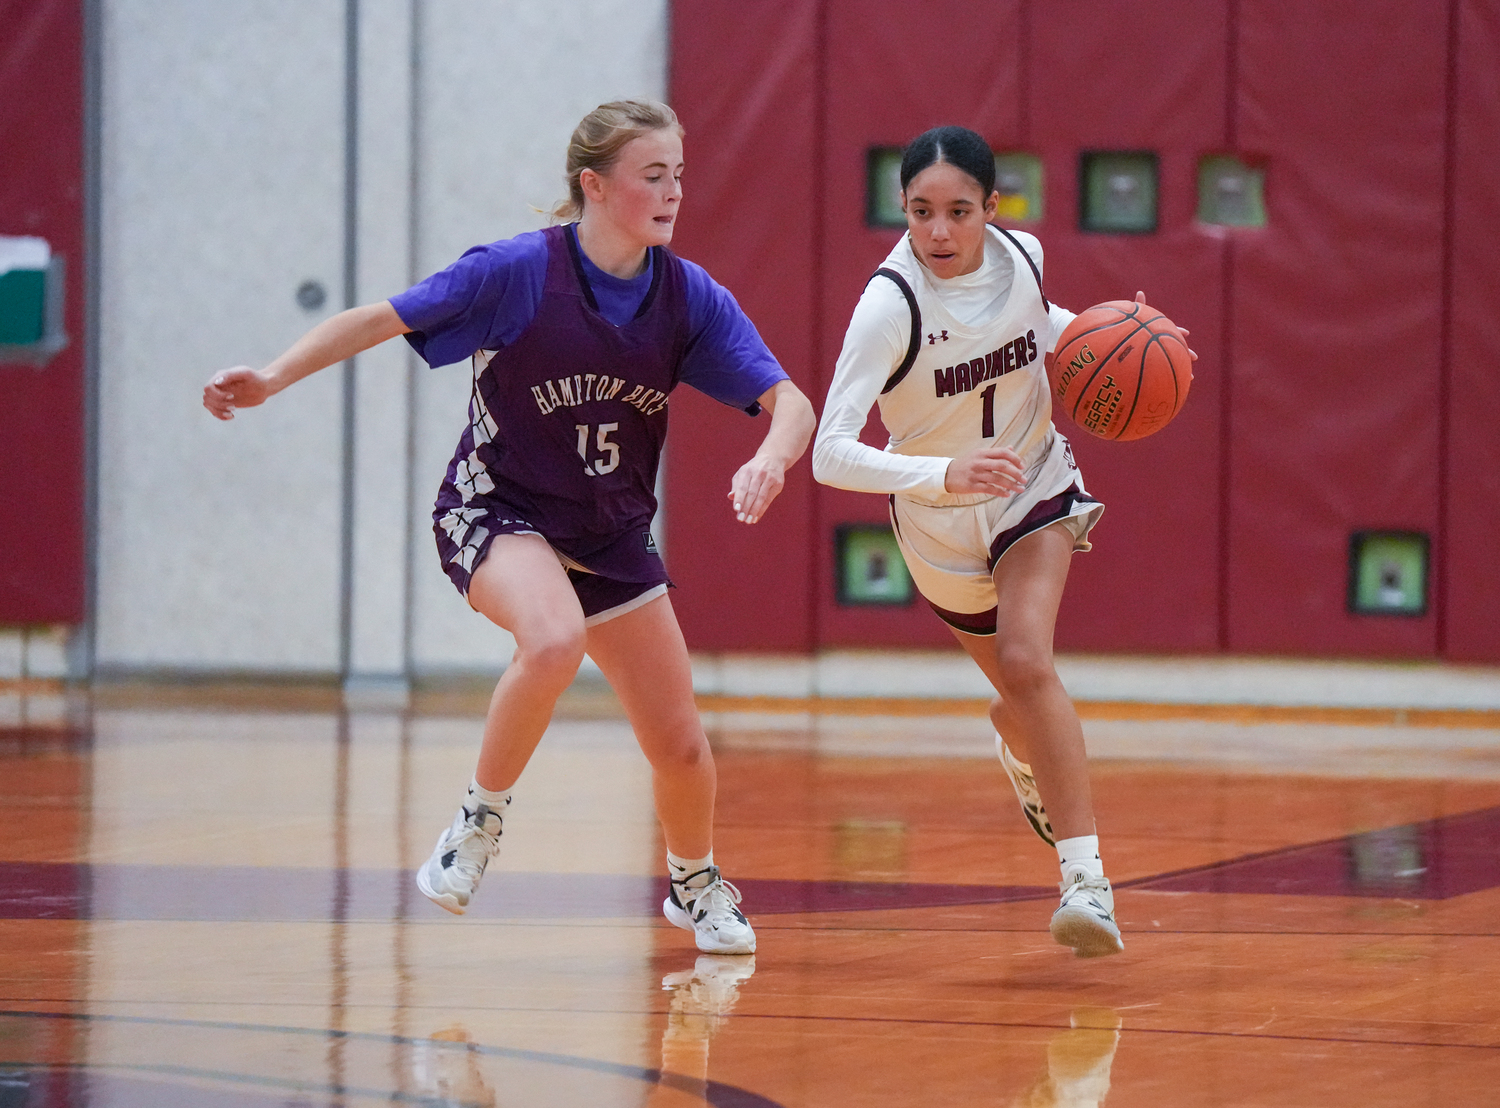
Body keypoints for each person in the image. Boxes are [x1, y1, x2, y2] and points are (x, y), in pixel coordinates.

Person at [203, 99, 815, 956]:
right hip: (497, 509)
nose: (674, 192)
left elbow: (791, 402)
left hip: (607, 531)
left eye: (679, 174)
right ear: (593, 186)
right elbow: (382, 318)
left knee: (679, 747)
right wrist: (271, 377)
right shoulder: (518, 272)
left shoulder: (687, 297)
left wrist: (772, 459)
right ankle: (476, 823)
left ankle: (694, 883)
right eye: (653, 175)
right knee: (553, 638)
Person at [813, 125, 1192, 958]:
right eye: (920, 212)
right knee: (1016, 697)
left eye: (957, 211)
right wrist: (941, 473)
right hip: (940, 527)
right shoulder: (889, 306)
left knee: (1028, 662)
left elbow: (1041, 326)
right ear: (901, 210)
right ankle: (1022, 752)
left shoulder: (1023, 257)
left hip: (1033, 486)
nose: (939, 231)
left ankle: (1086, 882)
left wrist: (1109, 342)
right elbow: (830, 454)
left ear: (993, 207)